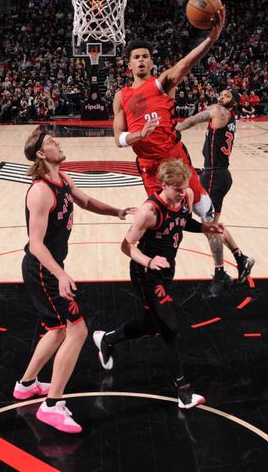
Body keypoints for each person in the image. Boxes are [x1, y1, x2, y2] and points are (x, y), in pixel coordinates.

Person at [15, 126, 135, 434]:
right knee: (77, 331)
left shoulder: (63, 179)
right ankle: (52, 405)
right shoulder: (40, 190)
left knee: (57, 331)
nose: (58, 143)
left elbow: (87, 201)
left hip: (48, 268)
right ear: (42, 154)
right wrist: (61, 274)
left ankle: (26, 385)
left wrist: (117, 211)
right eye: (52, 142)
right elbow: (36, 243)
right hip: (43, 269)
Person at [92, 159, 223, 409]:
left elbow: (183, 221)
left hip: (166, 269)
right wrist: (149, 261)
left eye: (185, 187)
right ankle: (184, 392)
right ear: (164, 185)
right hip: (145, 272)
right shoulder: (149, 211)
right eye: (177, 189)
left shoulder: (186, 196)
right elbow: (126, 246)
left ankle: (106, 339)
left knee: (150, 324)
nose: (183, 193)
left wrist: (205, 227)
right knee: (168, 327)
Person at [112, 4, 226, 225]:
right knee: (162, 219)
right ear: (129, 64)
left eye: (146, 56)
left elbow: (185, 64)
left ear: (152, 62)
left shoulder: (161, 83)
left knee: (204, 210)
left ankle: (229, 252)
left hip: (174, 156)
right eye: (136, 57)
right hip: (148, 164)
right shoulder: (121, 96)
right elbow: (118, 139)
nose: (141, 60)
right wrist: (139, 135)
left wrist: (210, 40)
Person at [175, 89, 255, 296]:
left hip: (215, 176)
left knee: (210, 226)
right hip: (216, 173)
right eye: (221, 94)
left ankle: (220, 274)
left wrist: (173, 129)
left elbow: (193, 119)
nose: (221, 97)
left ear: (234, 102)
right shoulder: (228, 116)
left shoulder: (218, 110)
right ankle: (240, 258)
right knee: (213, 222)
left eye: (227, 95)